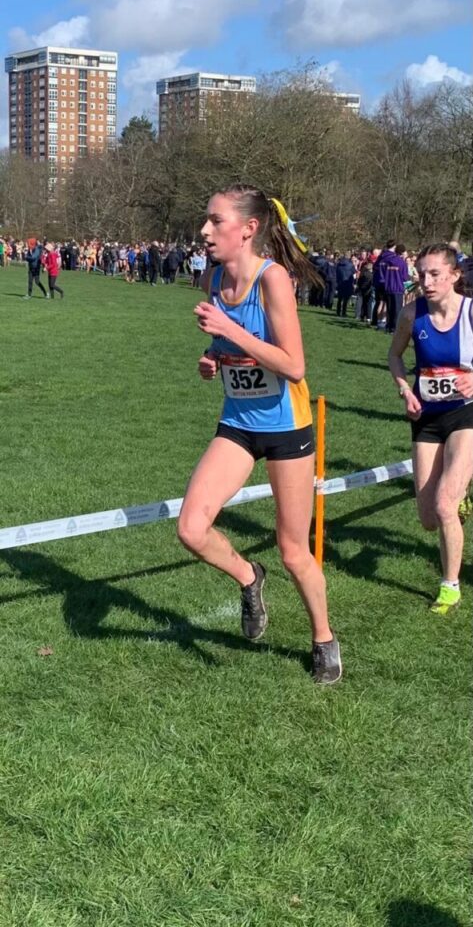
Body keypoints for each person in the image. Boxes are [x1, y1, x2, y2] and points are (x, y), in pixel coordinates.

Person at [177, 184, 342, 684]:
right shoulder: (213, 279)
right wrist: (213, 357)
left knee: (293, 551)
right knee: (191, 528)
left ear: (248, 229)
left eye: (215, 221)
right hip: (238, 424)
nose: (204, 230)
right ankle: (250, 577)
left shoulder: (273, 280)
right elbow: (228, 348)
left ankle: (323, 638)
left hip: (286, 428)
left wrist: (231, 332)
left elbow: (293, 365)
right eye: (205, 220)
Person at [388, 243, 473, 614]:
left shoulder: (470, 312)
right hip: (426, 417)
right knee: (427, 518)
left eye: (435, 274)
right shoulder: (412, 314)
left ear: (454, 275)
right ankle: (461, 497)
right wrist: (404, 389)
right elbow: (394, 355)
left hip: (466, 414)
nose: (426, 281)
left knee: (443, 504)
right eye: (421, 274)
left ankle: (450, 587)